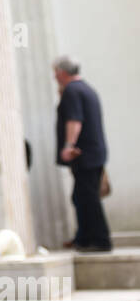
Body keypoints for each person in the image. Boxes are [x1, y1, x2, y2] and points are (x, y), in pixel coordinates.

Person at [53, 56, 111, 252]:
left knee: (87, 197)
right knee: (81, 196)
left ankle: (100, 240)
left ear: (61, 72)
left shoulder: (72, 91)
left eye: (55, 72)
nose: (54, 77)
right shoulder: (86, 89)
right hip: (93, 153)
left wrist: (68, 145)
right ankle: (84, 238)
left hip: (83, 154)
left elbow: (74, 120)